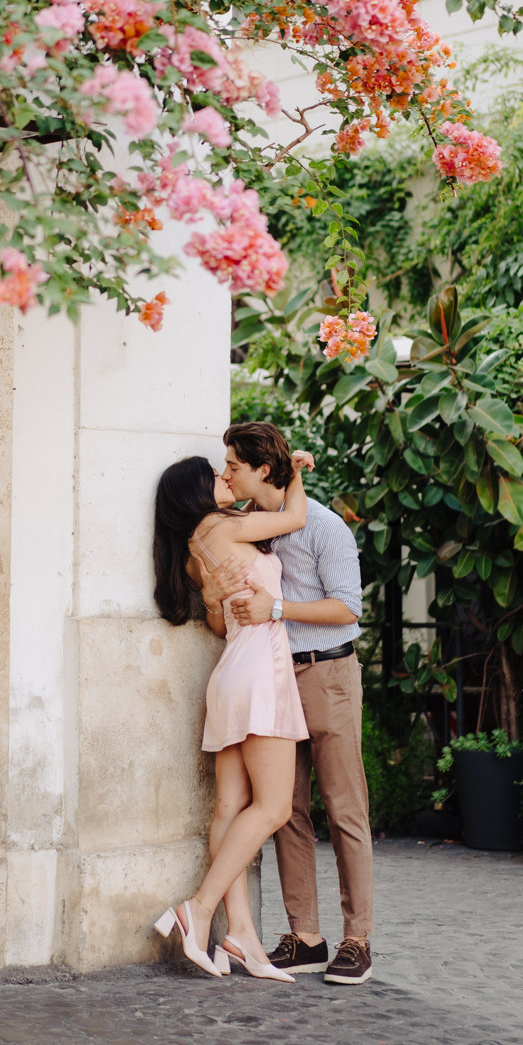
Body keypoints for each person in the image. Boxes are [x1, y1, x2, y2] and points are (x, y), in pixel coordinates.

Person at [205, 421, 375, 986]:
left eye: (233, 464)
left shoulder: (323, 526)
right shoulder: (251, 531)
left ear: (264, 470)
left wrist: (276, 611)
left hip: (326, 674)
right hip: (274, 680)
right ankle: (305, 936)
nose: (225, 473)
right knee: (288, 812)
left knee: (344, 807)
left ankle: (357, 939)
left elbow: (348, 608)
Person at [151, 453, 310, 981]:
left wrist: (217, 599)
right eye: (214, 476)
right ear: (197, 493)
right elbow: (293, 518)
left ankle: (239, 933)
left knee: (229, 808)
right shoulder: (228, 524)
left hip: (229, 673)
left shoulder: (195, 548)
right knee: (273, 808)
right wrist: (299, 473)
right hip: (261, 670)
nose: (225, 477)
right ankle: (197, 910)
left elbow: (220, 625)